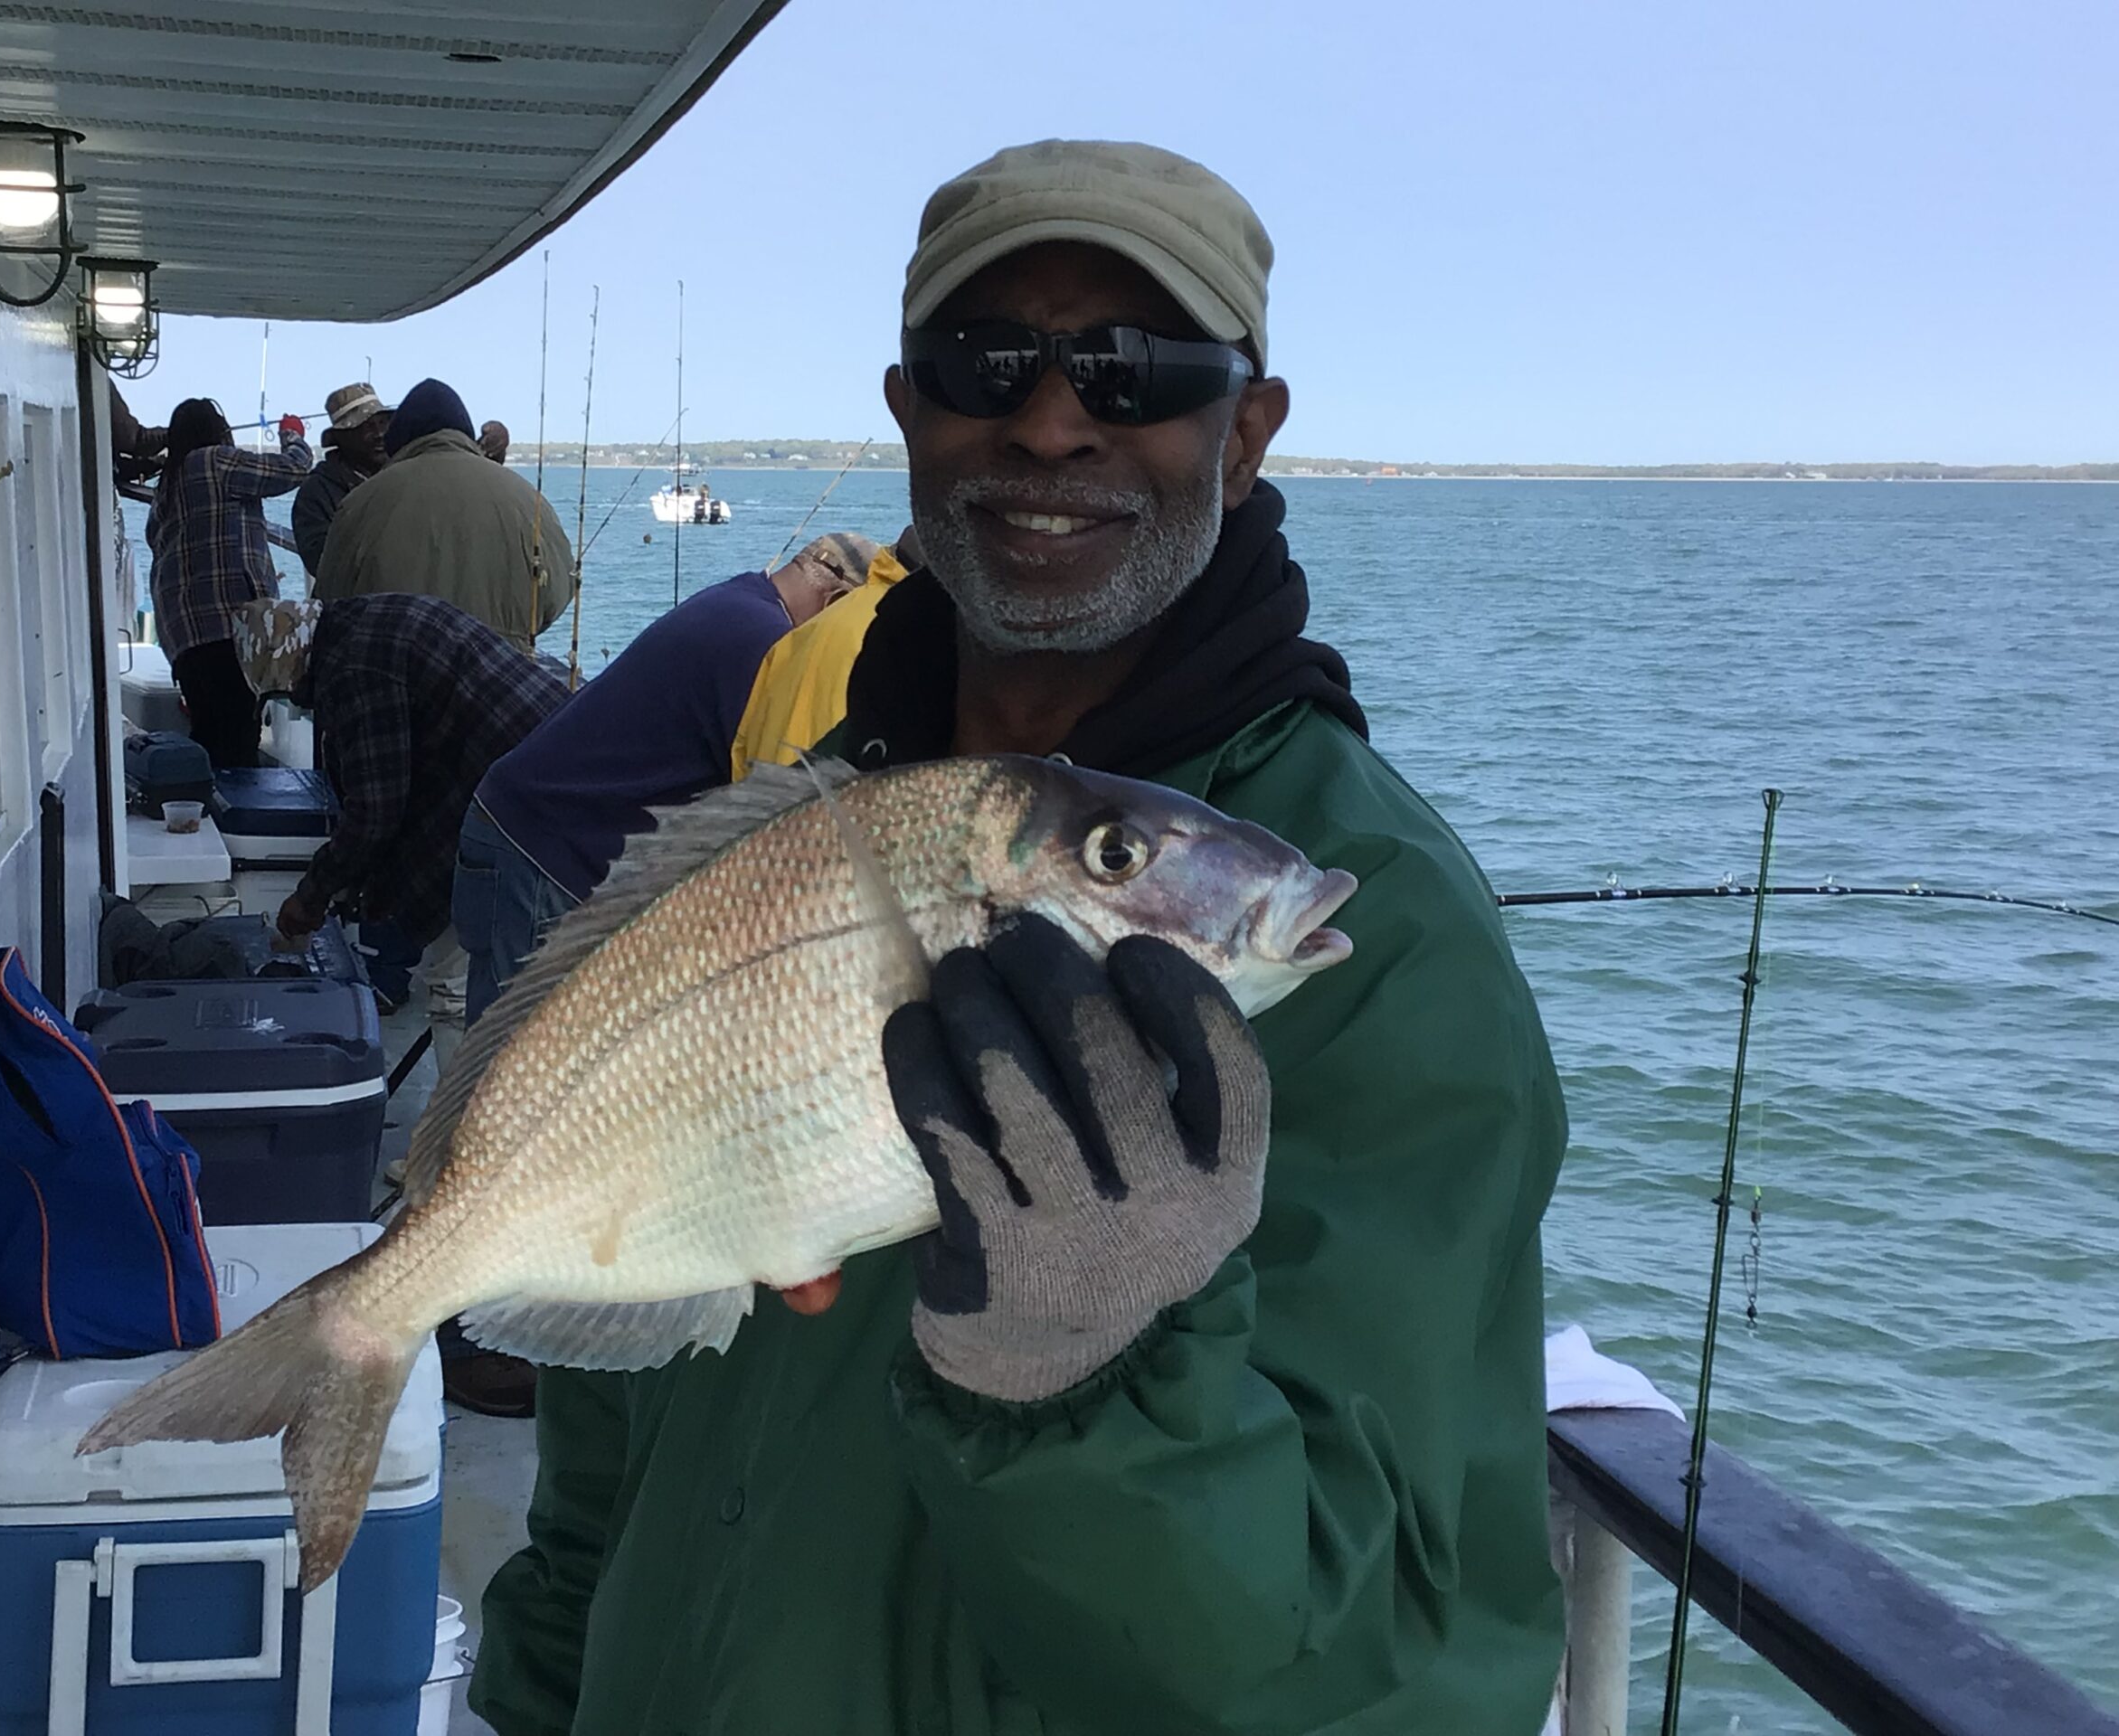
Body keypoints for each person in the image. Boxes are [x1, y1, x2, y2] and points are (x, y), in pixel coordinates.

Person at [471, 140, 1567, 1736]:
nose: (1054, 422)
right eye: (989, 363)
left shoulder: (1384, 934)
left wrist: (1084, 1377)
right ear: (912, 412)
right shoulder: (811, 826)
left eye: (1137, 371)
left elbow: (1387, 1672)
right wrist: (546, 1686)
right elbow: (617, 1438)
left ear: (1246, 431)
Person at [437, 534, 875, 1420]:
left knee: (499, 1088)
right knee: (521, 1110)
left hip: (516, 824)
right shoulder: (760, 645)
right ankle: (465, 1335)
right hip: (552, 857)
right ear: (831, 588)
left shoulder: (733, 602)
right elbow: (759, 812)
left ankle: (472, 1306)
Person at [232, 595, 569, 1049]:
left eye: (283, 691)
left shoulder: (354, 673)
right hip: (549, 759)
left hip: (527, 807)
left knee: (456, 987)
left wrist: (311, 895)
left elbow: (375, 813)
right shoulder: (366, 620)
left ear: (291, 668)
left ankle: (469, 1119)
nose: (295, 702)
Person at [313, 379, 574, 650]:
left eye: (381, 425)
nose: (377, 434)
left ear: (398, 436)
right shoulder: (528, 499)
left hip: (390, 675)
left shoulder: (360, 503)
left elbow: (332, 599)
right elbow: (557, 592)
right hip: (498, 679)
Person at [145, 399, 309, 768]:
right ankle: (228, 816)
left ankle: (199, 812)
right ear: (217, 431)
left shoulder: (167, 486)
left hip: (185, 634)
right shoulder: (215, 461)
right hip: (226, 628)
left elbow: (156, 540)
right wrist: (293, 435)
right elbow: (293, 470)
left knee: (208, 734)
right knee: (237, 739)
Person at [726, 524, 922, 777]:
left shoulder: (798, 635)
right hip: (817, 807)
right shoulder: (892, 637)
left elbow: (741, 751)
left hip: (761, 806)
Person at [292, 382, 393, 576]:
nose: (380, 434)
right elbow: (320, 561)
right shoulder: (316, 492)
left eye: (383, 423)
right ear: (343, 437)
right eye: (367, 427)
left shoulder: (403, 474)